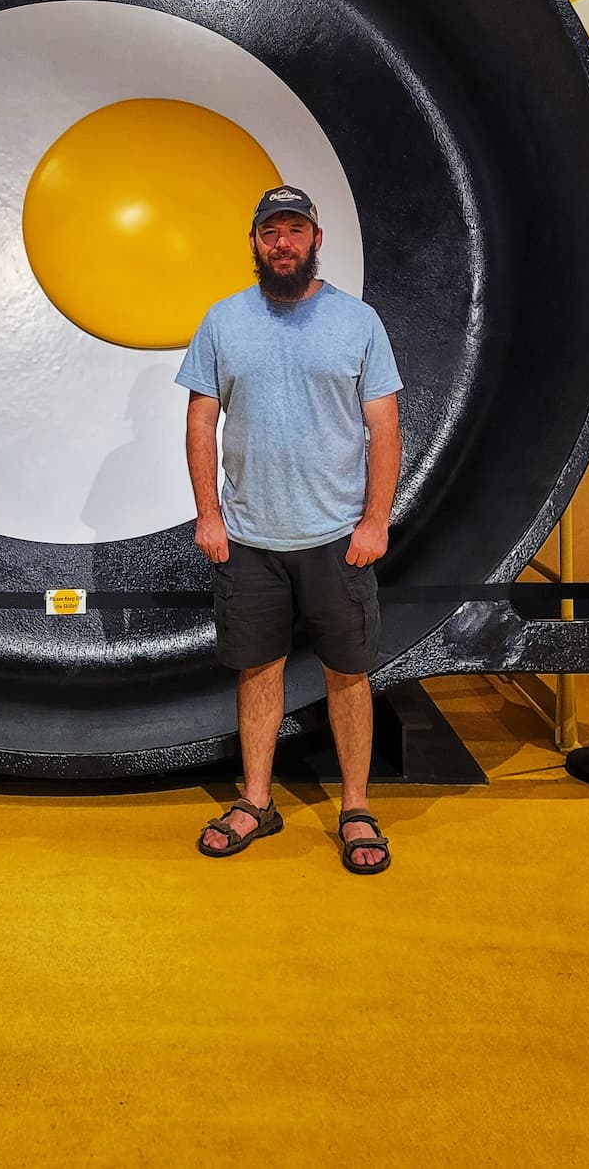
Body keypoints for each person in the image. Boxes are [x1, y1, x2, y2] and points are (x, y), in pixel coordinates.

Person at [175, 185, 402, 873]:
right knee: (258, 672)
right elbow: (198, 421)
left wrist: (373, 522)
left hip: (337, 538)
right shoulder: (221, 322)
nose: (282, 242)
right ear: (252, 242)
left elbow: (384, 426)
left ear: (315, 239)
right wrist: (208, 515)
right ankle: (254, 801)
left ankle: (356, 807)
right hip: (248, 539)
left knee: (348, 674)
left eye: (294, 230)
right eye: (270, 231)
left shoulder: (357, 322)